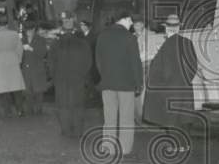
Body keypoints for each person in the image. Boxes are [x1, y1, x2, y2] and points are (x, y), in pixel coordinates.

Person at [94, 9, 143, 155]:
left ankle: (108, 146)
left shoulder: (102, 36)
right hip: (125, 85)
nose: (132, 25)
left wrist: (105, 76)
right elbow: (136, 63)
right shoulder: (129, 38)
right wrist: (138, 83)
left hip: (107, 84)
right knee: (126, 118)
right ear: (126, 19)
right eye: (131, 22)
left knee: (109, 117)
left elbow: (98, 61)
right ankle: (125, 148)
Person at [143, 13, 199, 132]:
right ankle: (185, 146)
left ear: (167, 28)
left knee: (171, 121)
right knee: (184, 119)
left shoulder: (166, 45)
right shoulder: (188, 42)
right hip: (185, 88)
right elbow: (193, 65)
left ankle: (175, 147)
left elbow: (158, 69)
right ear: (178, 28)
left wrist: (161, 84)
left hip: (169, 89)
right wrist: (185, 80)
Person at [48, 11, 93, 138]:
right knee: (78, 104)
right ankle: (78, 130)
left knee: (63, 105)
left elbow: (50, 63)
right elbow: (88, 61)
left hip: (61, 80)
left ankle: (66, 130)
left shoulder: (56, 43)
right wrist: (84, 76)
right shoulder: (83, 43)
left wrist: (54, 77)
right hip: (78, 79)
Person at [0, 14, 27, 116]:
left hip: (0, 62)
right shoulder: (14, 35)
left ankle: (7, 111)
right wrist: (18, 60)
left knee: (4, 88)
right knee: (16, 88)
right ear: (7, 23)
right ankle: (19, 110)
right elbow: (20, 49)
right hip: (13, 60)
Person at [132, 15, 165, 121]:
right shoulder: (132, 36)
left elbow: (151, 53)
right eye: (135, 24)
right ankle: (138, 116)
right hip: (136, 67)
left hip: (147, 65)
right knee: (136, 92)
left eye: (139, 24)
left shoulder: (151, 35)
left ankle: (146, 116)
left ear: (143, 24)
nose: (136, 26)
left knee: (145, 92)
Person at [20, 21, 50, 116]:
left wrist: (31, 49)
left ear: (33, 30)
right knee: (27, 92)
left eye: (30, 30)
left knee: (38, 92)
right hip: (26, 70)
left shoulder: (41, 40)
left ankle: (38, 111)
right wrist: (21, 49)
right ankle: (29, 111)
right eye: (26, 30)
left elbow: (43, 53)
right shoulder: (22, 40)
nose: (28, 32)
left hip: (37, 69)